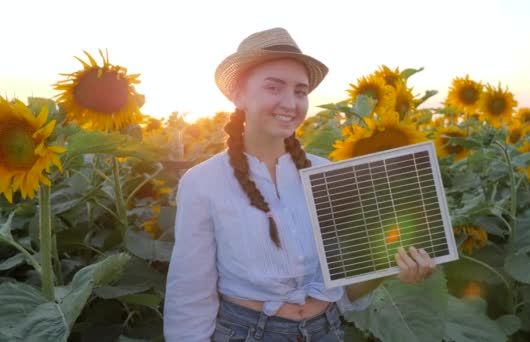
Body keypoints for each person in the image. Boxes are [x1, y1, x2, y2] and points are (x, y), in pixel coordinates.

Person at [163, 27, 437, 342]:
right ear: (238, 94)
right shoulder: (204, 182)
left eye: (300, 91)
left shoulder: (329, 174)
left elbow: (345, 294)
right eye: (273, 87)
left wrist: (394, 270)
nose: (290, 103)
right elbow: (190, 291)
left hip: (326, 331)